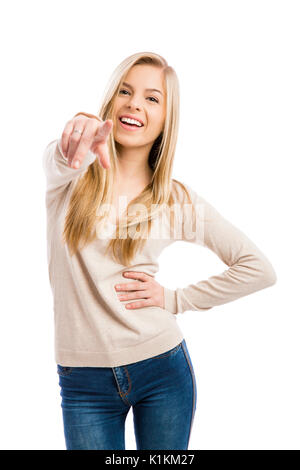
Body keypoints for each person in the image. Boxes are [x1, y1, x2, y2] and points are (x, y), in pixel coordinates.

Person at [42, 52, 277, 451]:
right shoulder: (72, 171)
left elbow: (258, 268)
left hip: (162, 369)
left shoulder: (175, 200)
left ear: (166, 120)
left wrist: (175, 299)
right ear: (110, 102)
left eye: (153, 98)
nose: (135, 103)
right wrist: (77, 131)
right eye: (125, 91)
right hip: (83, 380)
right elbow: (63, 152)